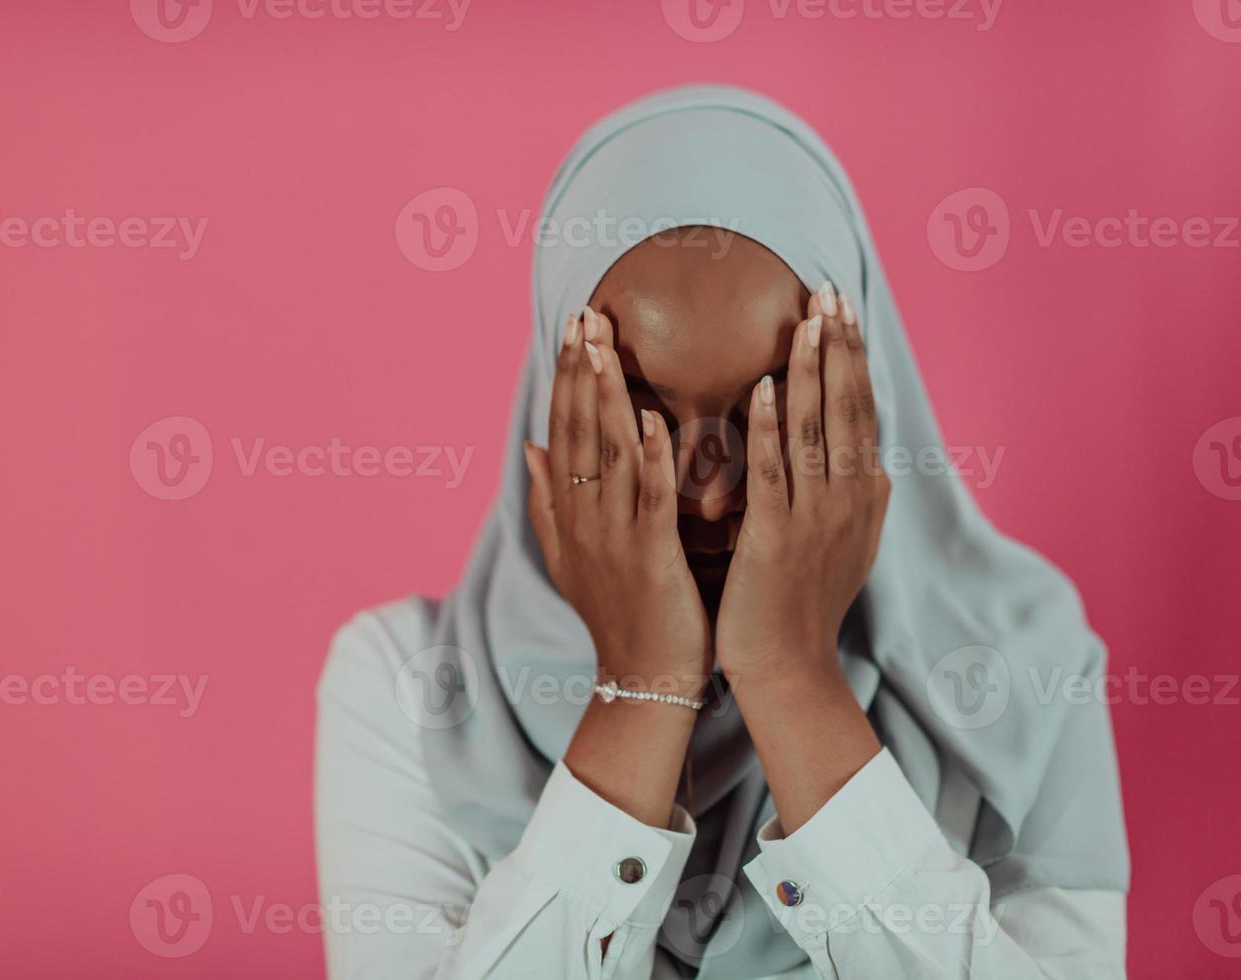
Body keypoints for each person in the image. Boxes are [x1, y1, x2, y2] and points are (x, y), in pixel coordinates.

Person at [315, 85, 1129, 979]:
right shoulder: (411, 689)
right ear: (551, 421)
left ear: (866, 407)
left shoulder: (1022, 674)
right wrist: (642, 686)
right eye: (641, 414)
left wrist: (793, 678)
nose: (707, 497)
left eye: (773, 410)